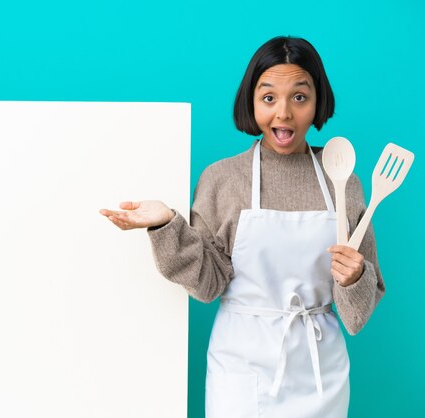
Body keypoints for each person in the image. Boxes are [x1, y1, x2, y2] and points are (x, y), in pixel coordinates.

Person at [99, 35, 385, 418]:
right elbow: (208, 284)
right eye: (269, 98)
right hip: (242, 367)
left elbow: (355, 316)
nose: (283, 113)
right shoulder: (223, 179)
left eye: (299, 97)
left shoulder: (343, 180)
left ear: (318, 102)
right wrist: (168, 224)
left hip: (320, 370)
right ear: (251, 102)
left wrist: (354, 278)